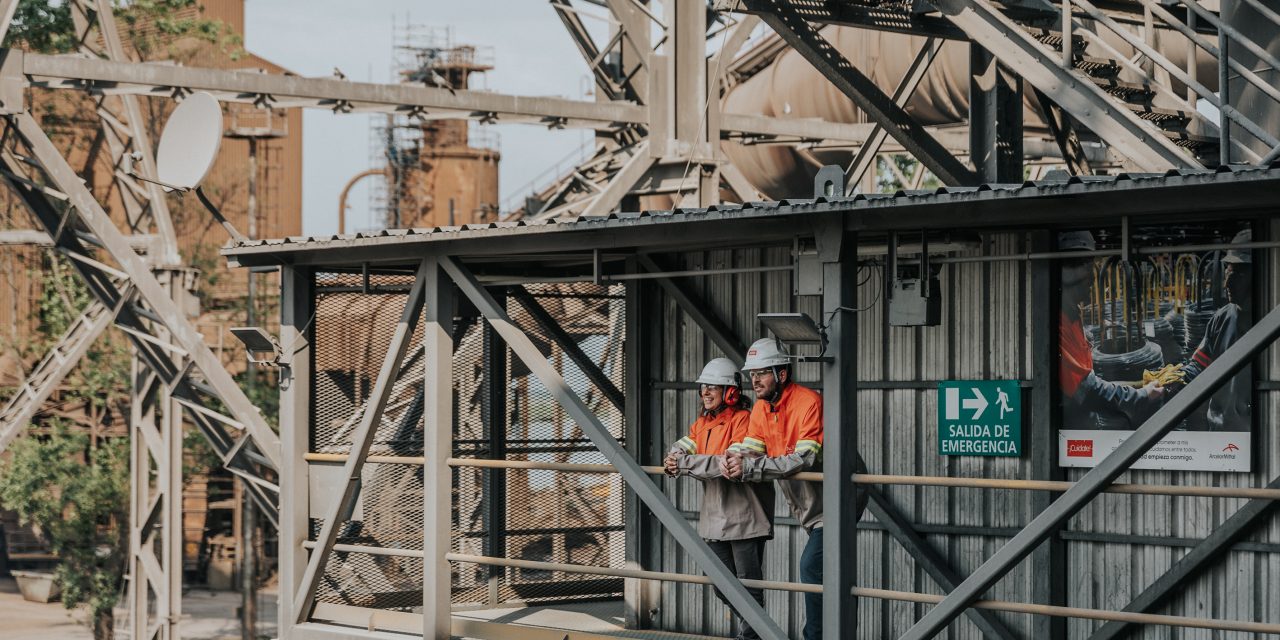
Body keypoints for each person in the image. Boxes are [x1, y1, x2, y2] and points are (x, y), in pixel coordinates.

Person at [721, 338, 866, 640]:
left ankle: (815, 637)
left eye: (761, 373)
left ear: (782, 374)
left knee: (811, 567)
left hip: (839, 498)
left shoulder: (808, 402)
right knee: (831, 573)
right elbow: (753, 449)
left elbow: (804, 459)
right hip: (810, 505)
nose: (754, 380)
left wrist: (751, 468)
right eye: (752, 374)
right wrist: (732, 458)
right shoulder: (762, 408)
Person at [664, 358, 775, 640]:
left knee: (748, 588)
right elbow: (679, 448)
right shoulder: (701, 425)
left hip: (746, 519)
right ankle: (759, 630)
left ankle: (751, 636)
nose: (706, 393)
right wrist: (674, 458)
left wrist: (685, 464)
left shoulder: (745, 421)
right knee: (720, 585)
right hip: (715, 520)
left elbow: (725, 463)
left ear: (731, 393)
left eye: (713, 387)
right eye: (703, 388)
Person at [1058, 230, 1166, 428]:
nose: (1093, 279)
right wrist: (1142, 395)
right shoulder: (1058, 326)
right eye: (1088, 268)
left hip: (1082, 426)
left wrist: (1138, 385)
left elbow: (1088, 380)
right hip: (1067, 433)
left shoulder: (1073, 316)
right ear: (1069, 274)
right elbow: (1088, 391)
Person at [1172, 228, 1253, 430]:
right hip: (1220, 431)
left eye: (1239, 273)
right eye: (1228, 270)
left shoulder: (1271, 323)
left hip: (1257, 433)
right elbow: (1200, 365)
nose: (1227, 282)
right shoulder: (1222, 318)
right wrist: (1174, 378)